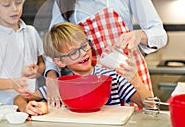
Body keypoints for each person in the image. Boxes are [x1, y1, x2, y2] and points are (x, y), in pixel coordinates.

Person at [21, 22, 152, 117]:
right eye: (73, 53)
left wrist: (137, 82)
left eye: (84, 46)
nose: (83, 53)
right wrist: (26, 108)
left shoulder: (112, 78)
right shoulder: (58, 87)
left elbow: (150, 106)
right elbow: (19, 98)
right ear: (59, 62)